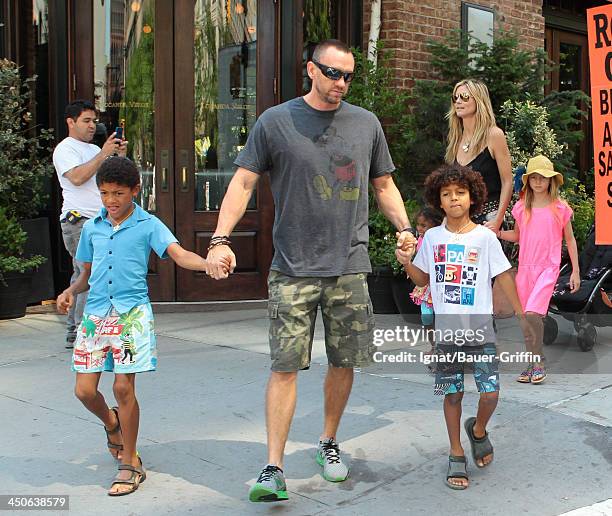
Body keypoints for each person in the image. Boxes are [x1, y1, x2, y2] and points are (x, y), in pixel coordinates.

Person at [205, 39, 416, 503]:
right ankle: (273, 466)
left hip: (349, 266)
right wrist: (220, 238)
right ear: (310, 70)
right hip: (293, 268)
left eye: (348, 76)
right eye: (332, 72)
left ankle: (328, 442)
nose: (340, 83)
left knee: (344, 362)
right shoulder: (276, 122)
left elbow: (383, 184)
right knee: (284, 366)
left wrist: (404, 228)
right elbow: (243, 182)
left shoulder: (366, 124)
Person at [56, 157, 222, 496]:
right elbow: (87, 274)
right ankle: (112, 423)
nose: (111, 201)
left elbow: (178, 254)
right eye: (104, 193)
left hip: (131, 315)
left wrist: (207, 263)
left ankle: (130, 462)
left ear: (135, 190)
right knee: (84, 391)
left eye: (118, 193)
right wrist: (71, 291)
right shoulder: (92, 228)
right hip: (96, 315)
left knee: (122, 388)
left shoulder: (149, 224)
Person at [396, 163, 532, 490]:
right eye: (447, 194)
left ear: (472, 198)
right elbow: (423, 279)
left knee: (491, 392)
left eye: (460, 193)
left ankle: (479, 429)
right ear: (438, 201)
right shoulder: (432, 239)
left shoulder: (485, 238)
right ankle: (456, 451)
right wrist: (407, 264)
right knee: (453, 394)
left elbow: (503, 275)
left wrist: (522, 316)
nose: (454, 199)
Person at [498, 155, 580, 383]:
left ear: (551, 181)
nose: (538, 182)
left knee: (534, 314)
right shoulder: (520, 208)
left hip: (548, 268)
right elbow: (517, 236)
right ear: (527, 181)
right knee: (525, 318)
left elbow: (571, 240)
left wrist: (575, 271)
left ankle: (539, 361)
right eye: (533, 177)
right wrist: (497, 233)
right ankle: (533, 363)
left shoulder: (560, 208)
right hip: (525, 269)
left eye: (543, 178)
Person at [53, 100, 127, 349]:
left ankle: (76, 332)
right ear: (70, 122)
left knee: (84, 274)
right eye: (86, 121)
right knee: (90, 274)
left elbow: (114, 180)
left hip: (100, 222)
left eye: (94, 121)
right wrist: (104, 154)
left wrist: (119, 157)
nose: (92, 126)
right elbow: (77, 177)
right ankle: (83, 331)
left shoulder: (92, 149)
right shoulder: (65, 149)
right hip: (79, 222)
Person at [446, 79, 513, 233]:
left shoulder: (494, 135)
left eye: (464, 96)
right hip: (462, 221)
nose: (458, 101)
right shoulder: (456, 139)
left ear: (479, 100)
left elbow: (507, 181)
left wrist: (498, 220)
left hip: (489, 219)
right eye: (455, 97)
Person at [409, 208, 443, 360]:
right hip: (425, 287)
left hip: (440, 284)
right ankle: (434, 345)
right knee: (427, 317)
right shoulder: (420, 240)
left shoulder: (440, 239)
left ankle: (443, 348)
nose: (419, 228)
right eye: (418, 225)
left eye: (424, 225)